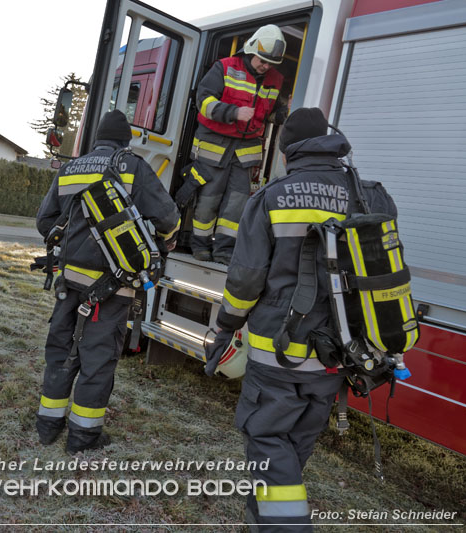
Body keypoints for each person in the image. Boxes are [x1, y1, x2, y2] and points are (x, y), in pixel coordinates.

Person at [205, 108, 397, 531]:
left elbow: (245, 280)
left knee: (269, 441)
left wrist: (225, 326)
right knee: (296, 442)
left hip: (278, 352)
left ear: (288, 151)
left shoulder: (272, 197)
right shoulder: (372, 194)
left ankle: (282, 524)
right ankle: (263, 517)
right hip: (339, 353)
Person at [35, 110, 181, 454]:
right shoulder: (133, 167)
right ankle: (83, 437)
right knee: (98, 357)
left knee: (61, 350)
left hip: (67, 282)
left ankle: (47, 425)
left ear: (96, 137)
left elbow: (45, 223)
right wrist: (164, 239)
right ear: (125, 140)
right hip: (112, 285)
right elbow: (168, 218)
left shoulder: (72, 167)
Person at [174, 24, 288, 264]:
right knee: (208, 202)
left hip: (245, 153)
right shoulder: (224, 68)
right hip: (214, 149)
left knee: (236, 206)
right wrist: (233, 112)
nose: (265, 67)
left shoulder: (275, 80)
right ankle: (200, 247)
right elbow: (203, 101)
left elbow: (271, 112)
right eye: (262, 61)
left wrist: (283, 115)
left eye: (270, 64)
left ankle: (225, 251)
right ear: (250, 50)